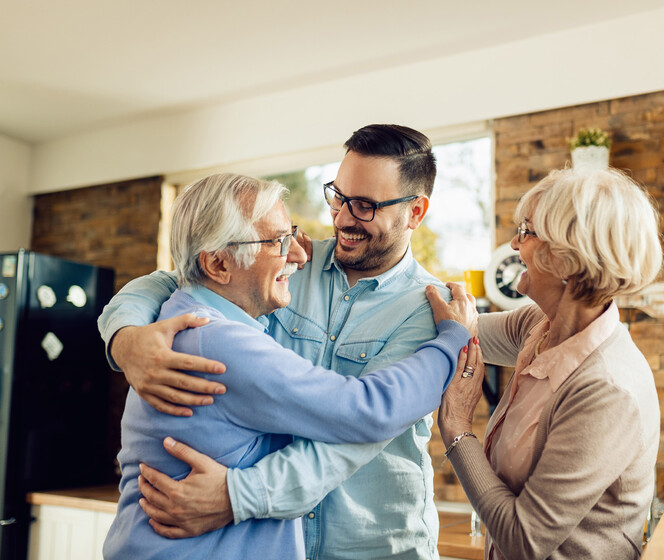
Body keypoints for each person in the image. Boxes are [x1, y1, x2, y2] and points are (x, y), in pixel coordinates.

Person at [98, 124, 459, 559]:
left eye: (364, 206)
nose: (343, 218)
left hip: (373, 546)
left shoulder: (431, 308)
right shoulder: (283, 271)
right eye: (338, 196)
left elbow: (361, 422)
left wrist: (238, 495)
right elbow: (179, 274)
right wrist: (126, 337)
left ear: (415, 212)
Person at [435, 167, 663, 559]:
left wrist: (457, 429)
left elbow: (524, 541)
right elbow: (454, 326)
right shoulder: (538, 326)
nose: (513, 243)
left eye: (526, 231)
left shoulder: (605, 391)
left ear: (566, 259)